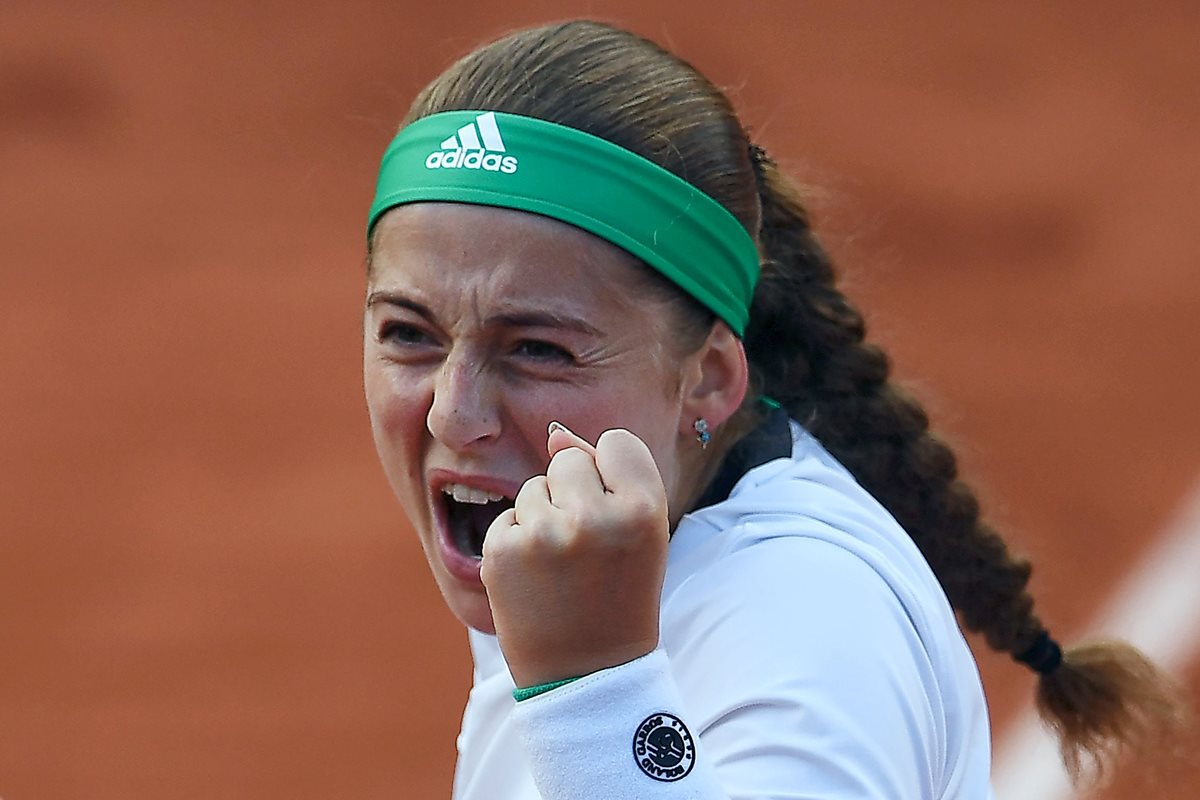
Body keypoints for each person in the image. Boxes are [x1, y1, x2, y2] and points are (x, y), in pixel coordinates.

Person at [361, 19, 1186, 799]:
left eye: (538, 349)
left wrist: (594, 692)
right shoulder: (576, 559)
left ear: (711, 378)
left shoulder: (812, 629)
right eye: (409, 334)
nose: (454, 415)